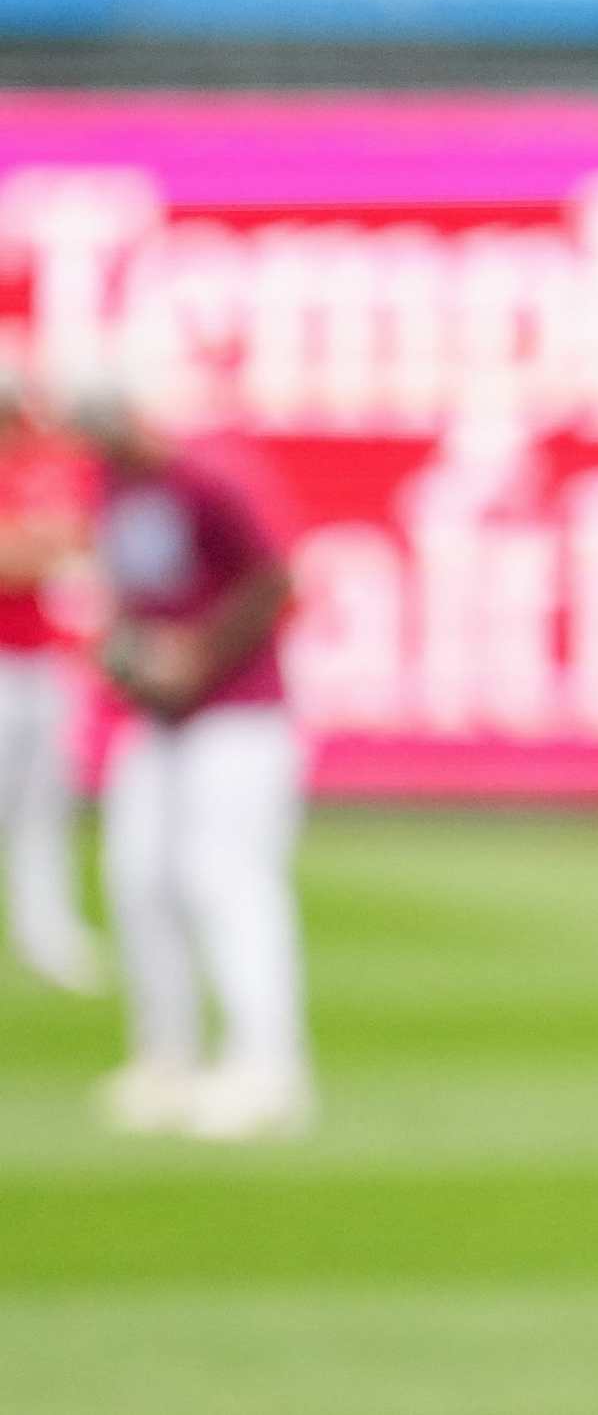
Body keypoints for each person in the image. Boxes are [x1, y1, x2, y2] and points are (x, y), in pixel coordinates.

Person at [72, 384, 313, 1142]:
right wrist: (124, 651)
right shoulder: (112, 483)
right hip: (160, 719)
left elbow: (276, 580)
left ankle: (268, 1067)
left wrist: (198, 654)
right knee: (138, 875)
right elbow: (130, 589)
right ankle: (166, 1058)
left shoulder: (206, 480)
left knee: (228, 880)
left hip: (239, 716)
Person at [0, 365, 97, 995]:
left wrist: (36, 547)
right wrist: (39, 547)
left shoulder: (48, 463)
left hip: (44, 660)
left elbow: (79, 540)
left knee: (44, 810)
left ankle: (48, 932)